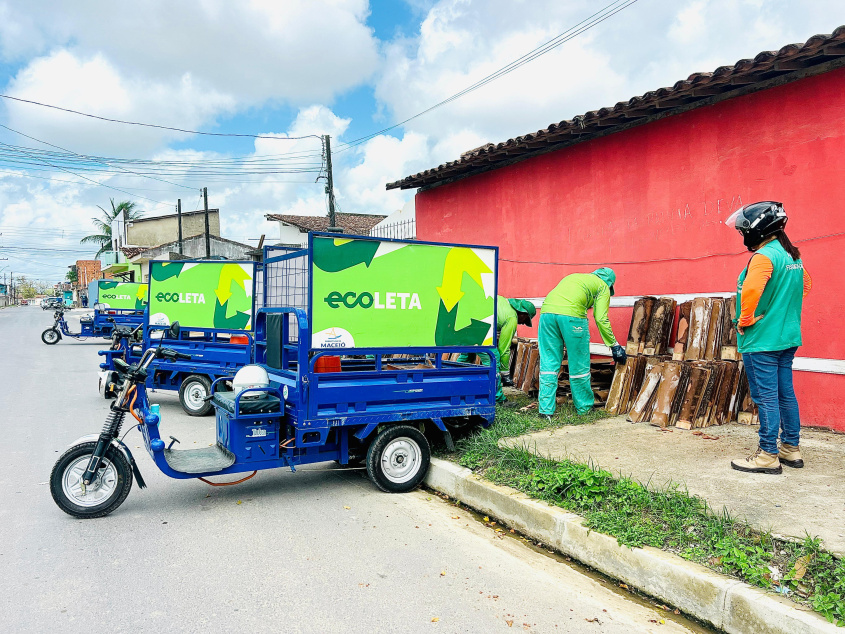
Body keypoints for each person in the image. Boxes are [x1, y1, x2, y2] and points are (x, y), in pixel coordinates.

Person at [727, 202, 812, 474]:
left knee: (766, 398)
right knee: (785, 394)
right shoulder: (791, 255)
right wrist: (780, 307)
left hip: (762, 340)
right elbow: (805, 286)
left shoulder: (764, 257)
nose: (743, 235)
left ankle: (767, 455)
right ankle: (790, 448)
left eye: (744, 230)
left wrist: (746, 320)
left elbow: (751, 291)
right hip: (787, 337)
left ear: (758, 230)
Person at [538, 268, 626, 417]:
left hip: (546, 315)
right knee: (578, 363)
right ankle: (584, 408)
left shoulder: (575, 277)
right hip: (572, 318)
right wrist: (614, 345)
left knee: (548, 363)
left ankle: (545, 411)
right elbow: (600, 318)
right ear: (610, 284)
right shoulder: (602, 286)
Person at [458, 296, 535, 404]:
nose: (522, 323)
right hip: (477, 328)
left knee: (466, 357)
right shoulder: (512, 317)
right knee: (493, 358)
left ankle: (451, 384)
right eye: (525, 320)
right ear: (522, 313)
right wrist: (505, 374)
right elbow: (504, 349)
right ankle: (498, 398)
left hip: (462, 324)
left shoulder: (503, 301)